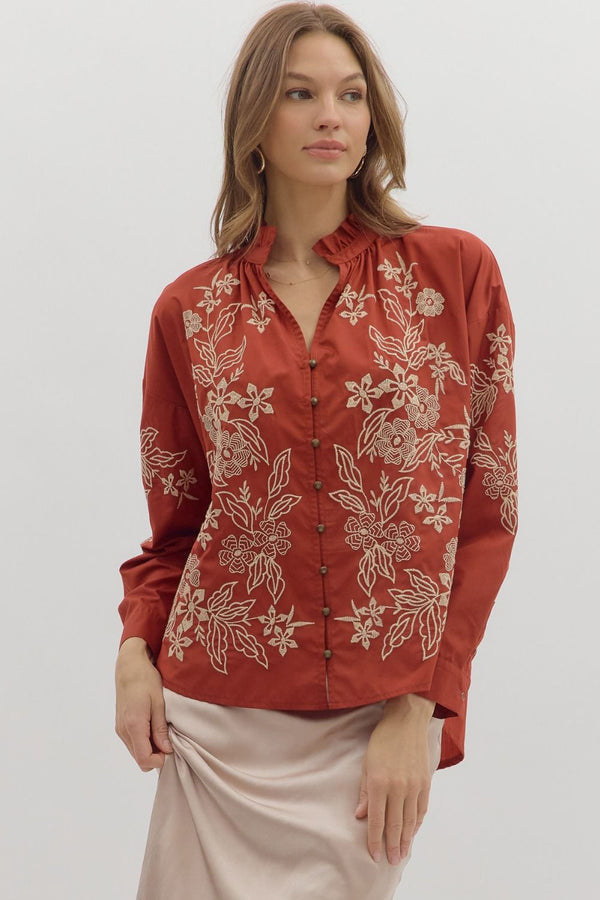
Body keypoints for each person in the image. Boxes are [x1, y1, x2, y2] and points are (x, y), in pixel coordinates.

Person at [115, 2, 518, 898]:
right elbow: (178, 531)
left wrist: (422, 704)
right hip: (217, 723)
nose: (330, 115)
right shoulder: (189, 311)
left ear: (374, 118)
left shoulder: (456, 275)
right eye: (300, 94)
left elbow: (485, 515)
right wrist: (134, 653)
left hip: (380, 723)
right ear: (255, 121)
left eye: (350, 94)